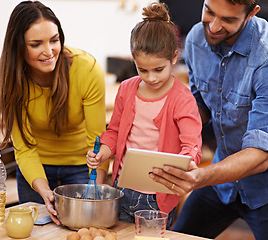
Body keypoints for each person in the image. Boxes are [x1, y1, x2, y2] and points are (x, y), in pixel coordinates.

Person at [149, 0, 268, 239]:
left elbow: (260, 155)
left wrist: (199, 177)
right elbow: (201, 104)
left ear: (252, 13)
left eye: (228, 20)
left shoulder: (265, 57)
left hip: (263, 188)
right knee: (180, 235)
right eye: (209, 11)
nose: (213, 27)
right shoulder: (196, 39)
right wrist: (166, 123)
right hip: (222, 182)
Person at [86, 2, 202, 229]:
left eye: (158, 69)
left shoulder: (183, 98)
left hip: (157, 198)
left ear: (174, 58)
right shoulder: (127, 89)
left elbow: (191, 145)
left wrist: (189, 162)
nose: (151, 78)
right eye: (142, 70)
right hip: (121, 188)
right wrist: (103, 154)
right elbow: (114, 132)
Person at [0, 1, 109, 225]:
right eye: (36, 44)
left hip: (82, 169)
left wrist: (96, 187)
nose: (49, 51)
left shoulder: (86, 69)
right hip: (35, 170)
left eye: (54, 40)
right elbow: (25, 148)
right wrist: (44, 191)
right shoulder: (9, 80)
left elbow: (97, 141)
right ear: (18, 46)